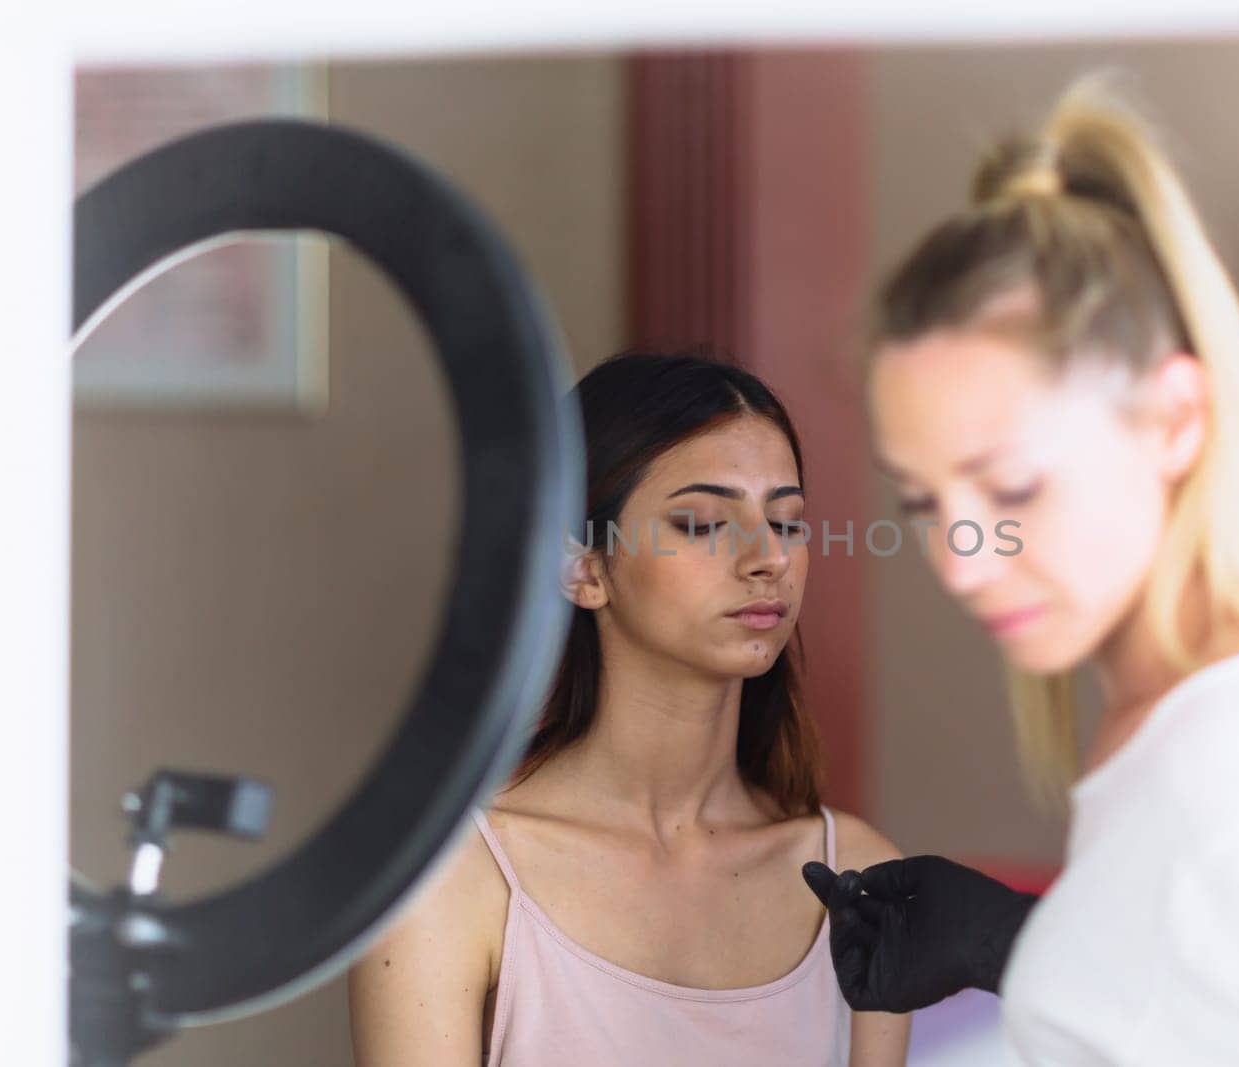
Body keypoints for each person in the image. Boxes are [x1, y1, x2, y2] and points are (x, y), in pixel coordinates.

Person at [802, 80, 1239, 1066]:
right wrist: (1029, 942)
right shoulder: (1210, 717)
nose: (959, 558)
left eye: (1010, 486)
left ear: (1174, 420)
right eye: (920, 500)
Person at [350, 351, 910, 1066]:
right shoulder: (453, 879)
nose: (768, 556)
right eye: (704, 523)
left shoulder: (857, 877)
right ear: (583, 566)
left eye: (789, 521)